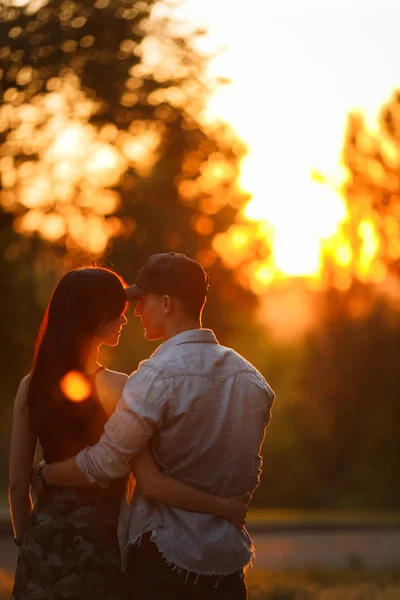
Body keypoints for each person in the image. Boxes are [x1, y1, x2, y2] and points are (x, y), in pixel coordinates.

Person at [39, 253, 275, 600]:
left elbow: (108, 461)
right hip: (226, 566)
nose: (134, 312)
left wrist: (46, 474)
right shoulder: (253, 380)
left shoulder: (153, 376)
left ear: (166, 303)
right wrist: (225, 507)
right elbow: (250, 470)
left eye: (142, 301)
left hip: (164, 561)